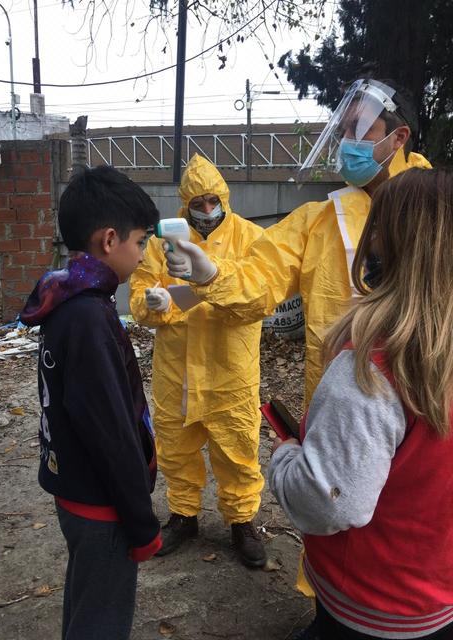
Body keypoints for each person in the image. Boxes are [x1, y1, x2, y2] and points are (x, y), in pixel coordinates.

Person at [163, 78, 431, 408]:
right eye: (344, 131)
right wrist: (212, 276)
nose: (348, 142)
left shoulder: (437, 208)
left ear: (398, 138)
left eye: (360, 130)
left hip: (425, 402)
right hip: (336, 409)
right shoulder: (317, 221)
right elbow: (261, 279)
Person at [269, 167, 453, 640]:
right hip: (437, 597)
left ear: (387, 244)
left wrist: (287, 459)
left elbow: (331, 501)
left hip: (370, 608)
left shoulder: (373, 367)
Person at [20, 166, 162, 640]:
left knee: (88, 603)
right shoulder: (88, 317)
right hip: (103, 505)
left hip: (76, 490)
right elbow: (111, 432)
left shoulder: (68, 297)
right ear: (108, 240)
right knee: (102, 618)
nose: (142, 257)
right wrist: (141, 525)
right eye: (140, 243)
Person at [129, 153, 267, 567]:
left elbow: (260, 298)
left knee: (238, 448)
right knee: (175, 446)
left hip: (231, 369)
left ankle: (242, 522)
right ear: (183, 203)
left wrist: (212, 283)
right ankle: (183, 515)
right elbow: (139, 296)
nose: (207, 210)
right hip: (178, 369)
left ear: (224, 197)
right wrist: (155, 303)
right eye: (198, 203)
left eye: (212, 200)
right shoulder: (159, 243)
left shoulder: (251, 238)